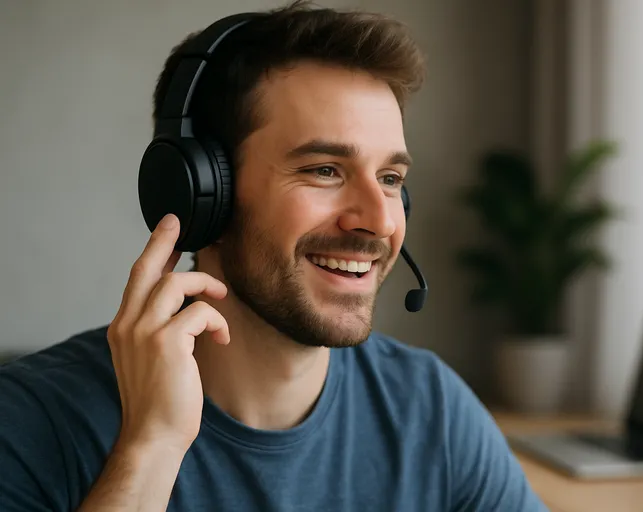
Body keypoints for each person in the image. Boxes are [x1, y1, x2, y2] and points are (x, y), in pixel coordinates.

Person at [0, 2, 547, 511]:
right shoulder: (29, 422)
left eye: (389, 179)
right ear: (199, 195)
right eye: (324, 170)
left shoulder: (433, 411)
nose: (379, 220)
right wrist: (151, 448)